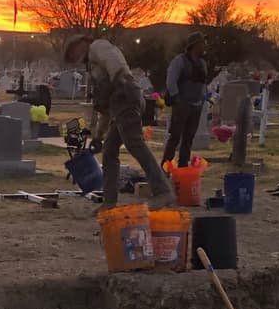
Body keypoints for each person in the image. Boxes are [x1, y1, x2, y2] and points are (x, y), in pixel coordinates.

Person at [62, 34, 175, 209]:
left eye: (73, 50)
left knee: (134, 143)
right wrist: (98, 136)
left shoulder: (97, 46)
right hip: (119, 102)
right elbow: (106, 111)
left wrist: (119, 81)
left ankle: (162, 191)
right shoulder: (94, 68)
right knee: (109, 151)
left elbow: (113, 60)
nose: (74, 56)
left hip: (126, 95)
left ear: (83, 42)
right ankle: (109, 201)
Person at [162, 31, 210, 168]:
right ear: (195, 45)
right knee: (175, 138)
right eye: (202, 43)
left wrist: (202, 99)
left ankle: (183, 167)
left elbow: (202, 84)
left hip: (196, 106)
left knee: (188, 139)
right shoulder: (179, 61)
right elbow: (171, 80)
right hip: (182, 105)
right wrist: (177, 98)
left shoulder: (202, 64)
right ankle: (165, 167)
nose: (205, 46)